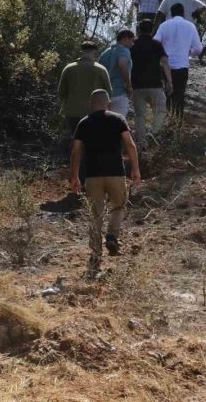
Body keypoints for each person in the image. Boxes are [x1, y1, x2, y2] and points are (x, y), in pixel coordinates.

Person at [70, 89, 141, 277]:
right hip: (116, 173)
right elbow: (130, 144)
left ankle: (95, 253)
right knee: (118, 207)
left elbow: (76, 151)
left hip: (92, 176)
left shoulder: (84, 123)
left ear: (91, 103)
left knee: (95, 214)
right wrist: (135, 169)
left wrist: (74, 176)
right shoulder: (118, 119)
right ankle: (112, 236)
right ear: (108, 103)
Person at [58, 41, 113, 182]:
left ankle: (75, 177)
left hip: (73, 113)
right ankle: (90, 177)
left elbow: (61, 93)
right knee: (93, 145)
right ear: (95, 52)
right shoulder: (101, 70)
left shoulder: (69, 68)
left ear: (81, 51)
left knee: (76, 145)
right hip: (95, 114)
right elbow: (109, 93)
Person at [154, 3, 202, 121]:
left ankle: (166, 119)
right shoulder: (190, 26)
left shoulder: (164, 25)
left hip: (166, 65)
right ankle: (177, 122)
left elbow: (155, 42)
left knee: (167, 92)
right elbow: (198, 49)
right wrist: (189, 54)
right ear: (183, 13)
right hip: (182, 65)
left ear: (170, 13)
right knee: (180, 94)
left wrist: (160, 55)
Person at [131, 19, 173, 147]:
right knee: (160, 110)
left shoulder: (133, 45)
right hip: (155, 84)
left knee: (139, 114)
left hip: (137, 85)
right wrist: (169, 81)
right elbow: (165, 62)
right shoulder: (156, 45)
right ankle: (153, 133)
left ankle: (141, 142)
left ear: (138, 30)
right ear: (152, 30)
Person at [99, 29, 135, 116]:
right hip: (119, 92)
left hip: (104, 94)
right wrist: (129, 86)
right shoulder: (124, 51)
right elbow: (122, 64)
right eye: (132, 40)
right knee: (118, 124)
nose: (132, 44)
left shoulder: (105, 53)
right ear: (125, 39)